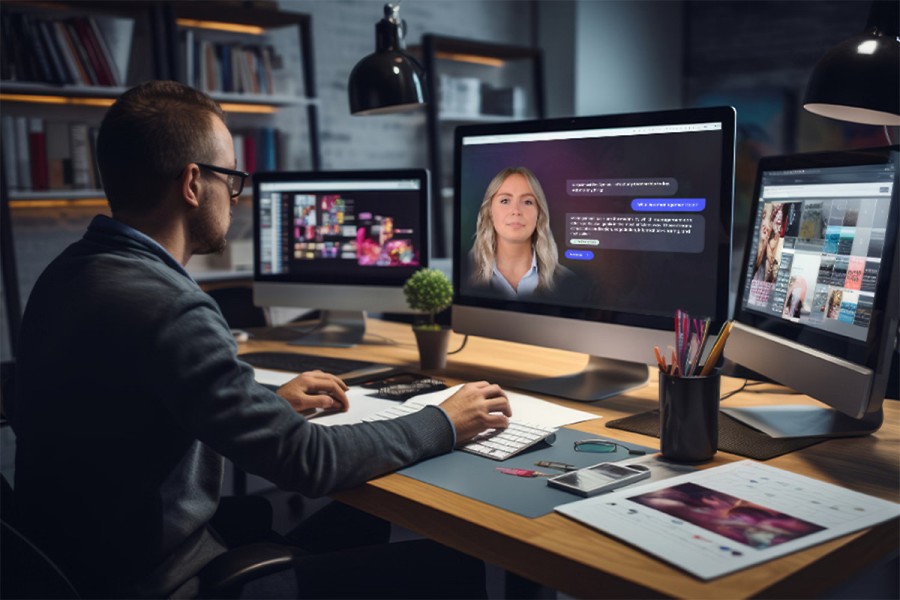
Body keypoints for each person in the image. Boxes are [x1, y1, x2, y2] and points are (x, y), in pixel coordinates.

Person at [7, 81, 512, 599]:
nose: (234, 195)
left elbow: (135, 411)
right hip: (164, 581)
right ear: (192, 184)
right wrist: (444, 422)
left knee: (358, 524)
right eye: (231, 178)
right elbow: (309, 462)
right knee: (452, 563)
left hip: (82, 567)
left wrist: (267, 404)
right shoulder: (170, 306)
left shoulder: (66, 274)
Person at [467, 166, 586, 301]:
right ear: (489, 211)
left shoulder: (567, 281)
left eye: (527, 202)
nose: (516, 210)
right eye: (505, 201)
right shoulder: (465, 277)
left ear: (539, 214)